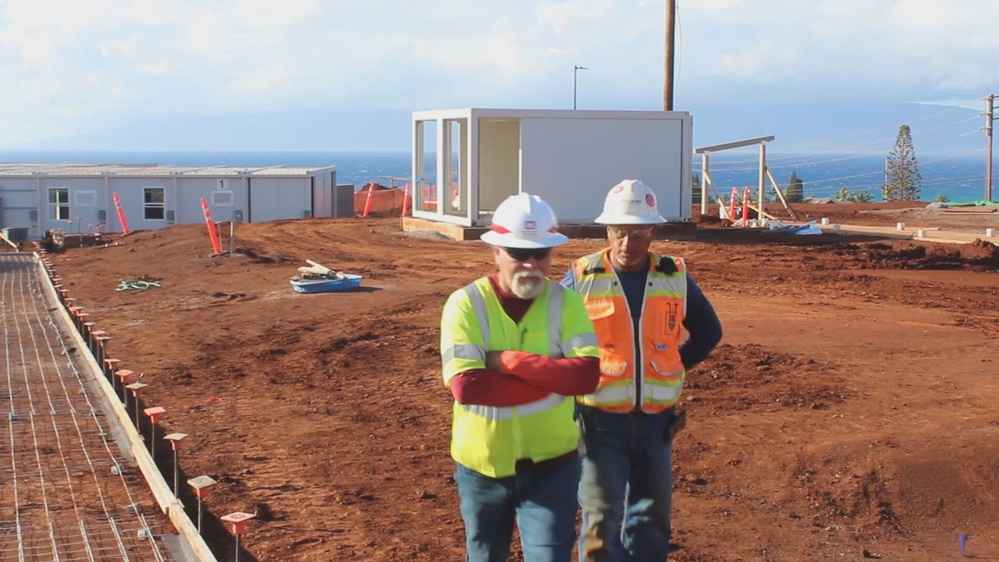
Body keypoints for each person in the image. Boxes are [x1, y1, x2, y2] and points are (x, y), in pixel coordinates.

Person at [561, 179, 723, 562]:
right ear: (607, 230)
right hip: (599, 423)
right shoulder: (582, 277)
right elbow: (554, 339)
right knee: (601, 519)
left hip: (656, 424)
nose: (627, 243)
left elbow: (709, 331)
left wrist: (670, 366)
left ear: (653, 231)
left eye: (637, 233)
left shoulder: (674, 275)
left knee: (651, 518)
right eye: (620, 231)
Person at [440, 192, 602, 562]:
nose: (530, 263)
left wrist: (509, 361)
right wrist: (551, 376)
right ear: (495, 252)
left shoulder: (567, 303)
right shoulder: (466, 303)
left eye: (540, 253)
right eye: (517, 252)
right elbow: (467, 386)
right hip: (482, 469)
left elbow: (585, 378)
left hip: (552, 467)